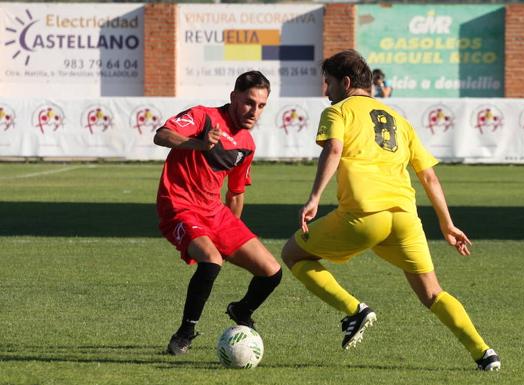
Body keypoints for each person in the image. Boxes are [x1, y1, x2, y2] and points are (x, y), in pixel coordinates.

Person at [281, 50, 500, 371]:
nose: (325, 92)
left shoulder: (339, 111)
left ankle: (354, 310)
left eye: (328, 83)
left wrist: (314, 197)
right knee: (432, 292)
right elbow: (429, 177)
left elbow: (335, 148)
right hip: (405, 218)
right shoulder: (399, 120)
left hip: (364, 214)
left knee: (293, 254)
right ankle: (484, 353)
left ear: (345, 82)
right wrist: (447, 224)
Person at [154, 71, 282, 355]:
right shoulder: (203, 117)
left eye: (261, 106)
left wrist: (230, 236)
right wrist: (198, 143)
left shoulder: (246, 144)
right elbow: (161, 135)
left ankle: (241, 309)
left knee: (271, 272)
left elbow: (236, 194)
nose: (254, 111)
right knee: (211, 261)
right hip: (179, 205)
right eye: (249, 102)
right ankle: (185, 333)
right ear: (234, 97)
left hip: (215, 211)